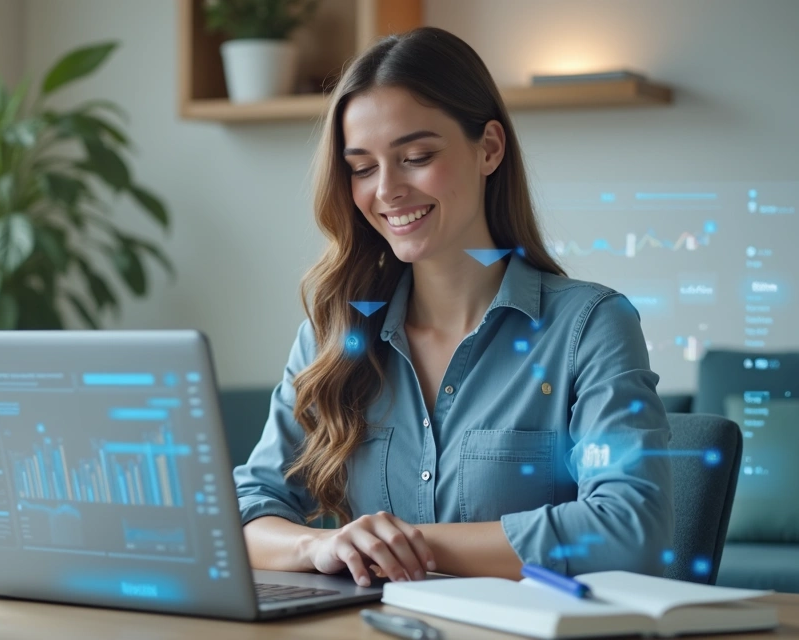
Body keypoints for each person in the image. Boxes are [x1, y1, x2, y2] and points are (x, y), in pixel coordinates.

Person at [232, 27, 673, 587]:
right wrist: (322, 546)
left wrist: (407, 546)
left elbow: (632, 529)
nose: (387, 189)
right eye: (363, 168)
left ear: (488, 148)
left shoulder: (590, 327)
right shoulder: (334, 333)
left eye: (416, 156)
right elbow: (249, 510)